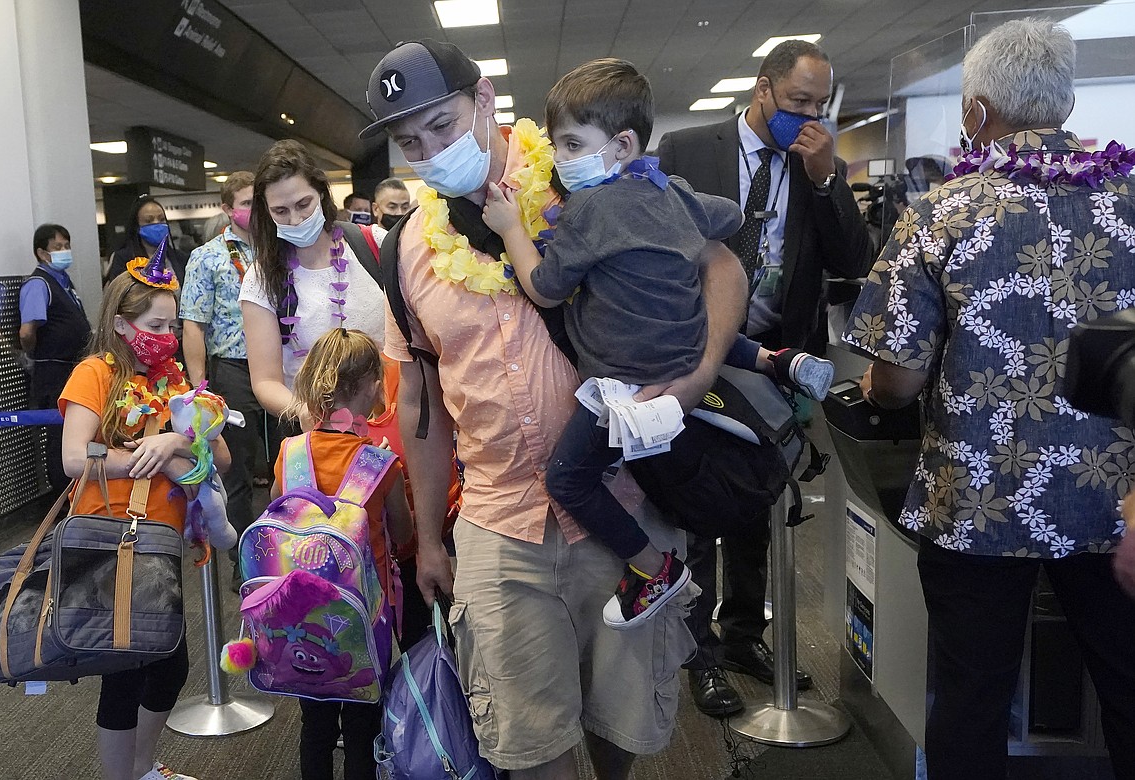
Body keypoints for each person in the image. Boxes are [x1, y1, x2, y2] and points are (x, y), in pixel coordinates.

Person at [360, 39, 743, 779]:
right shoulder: (405, 248)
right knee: (529, 747)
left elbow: (718, 264)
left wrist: (695, 378)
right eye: (410, 143)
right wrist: (431, 537)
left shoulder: (587, 176)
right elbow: (422, 401)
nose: (430, 150)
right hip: (499, 526)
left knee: (621, 725)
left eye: (441, 126)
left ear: (486, 101)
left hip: (623, 505)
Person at [845, 18, 1135, 779]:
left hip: (980, 500)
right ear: (1065, 102)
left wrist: (884, 382)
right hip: (1116, 501)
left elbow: (896, 378)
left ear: (976, 112)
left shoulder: (942, 210)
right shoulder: (1132, 199)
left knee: (972, 697)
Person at [481, 58, 834, 631]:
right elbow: (728, 216)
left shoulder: (589, 211)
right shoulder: (669, 189)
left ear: (619, 145)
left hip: (631, 378)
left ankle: (653, 568)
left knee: (568, 478)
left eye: (572, 146)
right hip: (686, 348)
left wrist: (512, 230)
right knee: (693, 323)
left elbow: (546, 289)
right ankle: (779, 360)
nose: (561, 161)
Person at [657, 38, 875, 715]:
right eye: (798, 103)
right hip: (695, 353)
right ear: (763, 90)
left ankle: (744, 632)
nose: (810, 116)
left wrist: (823, 180)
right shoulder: (688, 151)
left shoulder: (817, 165)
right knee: (694, 503)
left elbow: (853, 260)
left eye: (820, 105)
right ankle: (698, 653)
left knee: (757, 502)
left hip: (777, 355)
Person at [59, 255, 230, 780]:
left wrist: (176, 440)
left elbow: (219, 457)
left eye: (171, 325)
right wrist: (150, 457)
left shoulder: (174, 381)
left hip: (163, 539)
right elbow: (74, 456)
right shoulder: (96, 372)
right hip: (111, 537)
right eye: (154, 326)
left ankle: (140, 769)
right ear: (118, 323)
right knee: (128, 669)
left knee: (166, 664)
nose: (166, 336)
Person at [272, 328, 415, 780]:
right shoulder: (378, 463)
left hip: (300, 614)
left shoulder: (290, 453)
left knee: (313, 721)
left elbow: (277, 514)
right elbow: (404, 533)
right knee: (361, 722)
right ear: (373, 385)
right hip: (364, 615)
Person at [240, 140, 385, 421]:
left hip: (390, 419)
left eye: (303, 204)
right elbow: (265, 381)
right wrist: (307, 413)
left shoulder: (373, 244)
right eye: (280, 211)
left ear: (321, 192)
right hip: (317, 430)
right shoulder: (261, 278)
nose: (295, 219)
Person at [180, 171, 272, 587]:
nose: (254, 210)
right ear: (226, 207)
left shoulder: (281, 247)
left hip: (281, 365)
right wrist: (199, 389)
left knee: (287, 457)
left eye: (260, 201)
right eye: (247, 202)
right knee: (236, 471)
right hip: (233, 369)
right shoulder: (208, 257)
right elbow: (194, 326)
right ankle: (244, 562)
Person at [19, 223, 91, 496]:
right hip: (53, 371)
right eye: (57, 248)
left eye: (66, 245)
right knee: (59, 435)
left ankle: (77, 492)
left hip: (74, 369)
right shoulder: (39, 284)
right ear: (42, 253)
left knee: (76, 432)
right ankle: (61, 497)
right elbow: (28, 331)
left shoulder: (64, 282)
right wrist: (38, 355)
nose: (64, 252)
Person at [105, 197, 189, 288]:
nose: (157, 223)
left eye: (161, 219)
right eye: (149, 220)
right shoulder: (123, 259)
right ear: (137, 227)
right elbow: (119, 293)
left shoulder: (180, 258)